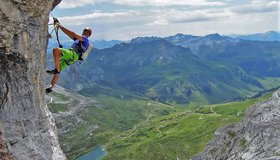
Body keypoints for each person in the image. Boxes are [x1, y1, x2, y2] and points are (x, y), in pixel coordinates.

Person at [45, 20, 92, 94]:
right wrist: (59, 25)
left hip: (73, 54)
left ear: (89, 35)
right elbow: (68, 33)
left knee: (56, 50)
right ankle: (51, 87)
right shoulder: (78, 40)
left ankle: (56, 70)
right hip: (73, 58)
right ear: (83, 32)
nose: (85, 32)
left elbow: (73, 34)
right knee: (58, 71)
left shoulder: (85, 39)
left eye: (87, 32)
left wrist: (60, 26)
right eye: (85, 31)